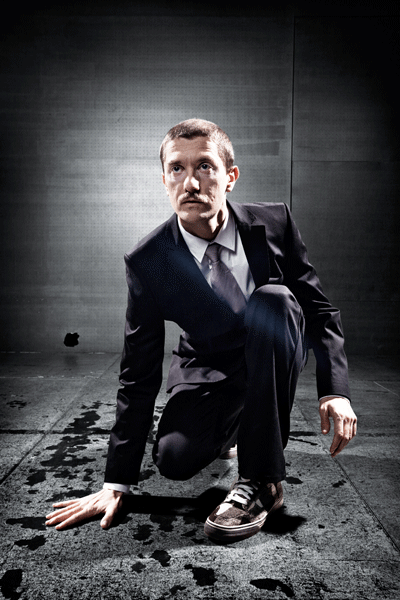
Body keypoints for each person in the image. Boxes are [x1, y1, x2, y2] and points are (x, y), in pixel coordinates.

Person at [45, 118, 357, 543]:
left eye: (205, 166)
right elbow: (138, 370)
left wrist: (334, 391)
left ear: (230, 177)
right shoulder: (150, 260)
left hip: (273, 348)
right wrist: (116, 482)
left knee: (275, 299)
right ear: (164, 180)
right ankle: (238, 422)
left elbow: (318, 309)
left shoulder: (274, 222)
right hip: (208, 364)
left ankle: (262, 481)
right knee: (173, 459)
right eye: (177, 168)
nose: (190, 183)